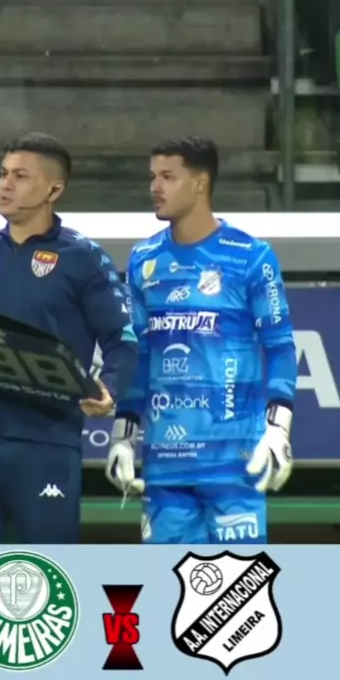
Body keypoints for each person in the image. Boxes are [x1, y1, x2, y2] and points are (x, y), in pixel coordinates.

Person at [0, 132, 137, 544]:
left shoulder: (84, 258)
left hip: (46, 443)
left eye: (20, 176)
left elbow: (122, 339)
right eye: (3, 174)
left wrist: (110, 387)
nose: (5, 185)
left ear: (54, 189)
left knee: (49, 572)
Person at [105, 136, 297, 544]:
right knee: (170, 583)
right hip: (165, 466)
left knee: (238, 584)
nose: (155, 187)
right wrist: (123, 436)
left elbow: (280, 346)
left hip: (234, 464)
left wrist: (278, 429)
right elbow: (139, 355)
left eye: (168, 176)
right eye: (153, 177)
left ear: (199, 182)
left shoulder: (250, 256)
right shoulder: (143, 259)